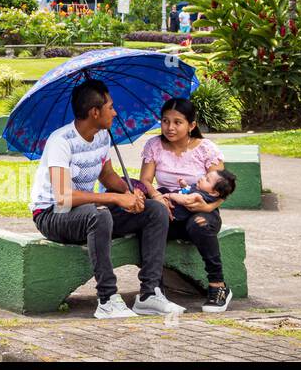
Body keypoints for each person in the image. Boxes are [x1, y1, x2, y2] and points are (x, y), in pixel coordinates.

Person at [28, 78, 184, 318]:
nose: (115, 111)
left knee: (155, 211)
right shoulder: (61, 141)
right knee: (98, 216)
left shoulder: (102, 136)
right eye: (110, 107)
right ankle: (107, 299)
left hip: (87, 211)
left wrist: (130, 192)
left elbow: (108, 175)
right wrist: (115, 199)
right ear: (94, 112)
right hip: (52, 215)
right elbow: (62, 197)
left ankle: (150, 294)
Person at [140, 98, 234, 312]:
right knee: (149, 222)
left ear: (191, 125)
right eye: (165, 121)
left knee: (199, 224)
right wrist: (157, 196)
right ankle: (154, 289)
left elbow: (222, 188)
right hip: (167, 205)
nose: (170, 127)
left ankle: (217, 286)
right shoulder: (154, 145)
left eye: (177, 122)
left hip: (200, 208)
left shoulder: (206, 149)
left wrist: (209, 208)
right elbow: (145, 180)